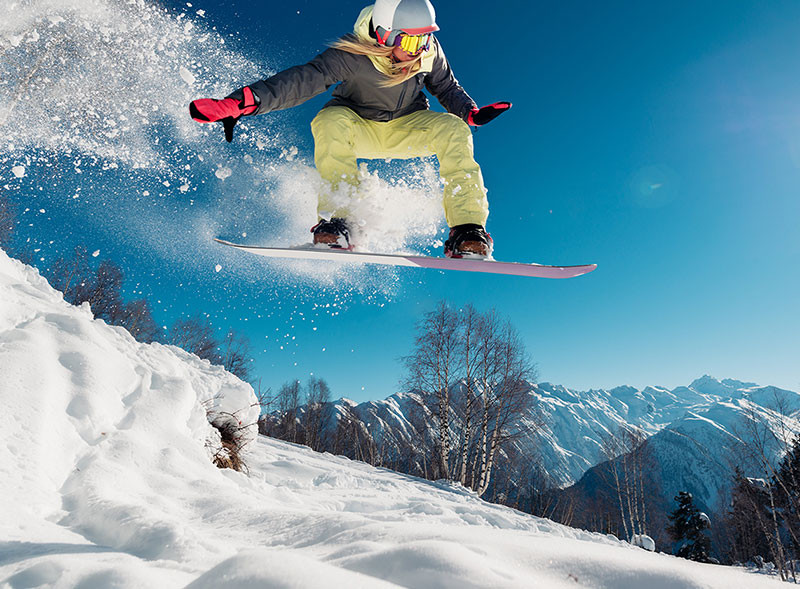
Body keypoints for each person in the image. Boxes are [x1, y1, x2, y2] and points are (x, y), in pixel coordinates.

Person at [190, 0, 510, 257]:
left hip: (407, 126)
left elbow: (446, 86)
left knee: (454, 130)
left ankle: (467, 229)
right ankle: (341, 223)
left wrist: (469, 112)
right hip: (358, 128)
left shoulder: (429, 52)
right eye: (410, 39)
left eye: (424, 38)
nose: (417, 49)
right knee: (329, 120)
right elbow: (303, 79)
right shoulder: (352, 53)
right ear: (385, 33)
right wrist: (242, 102)